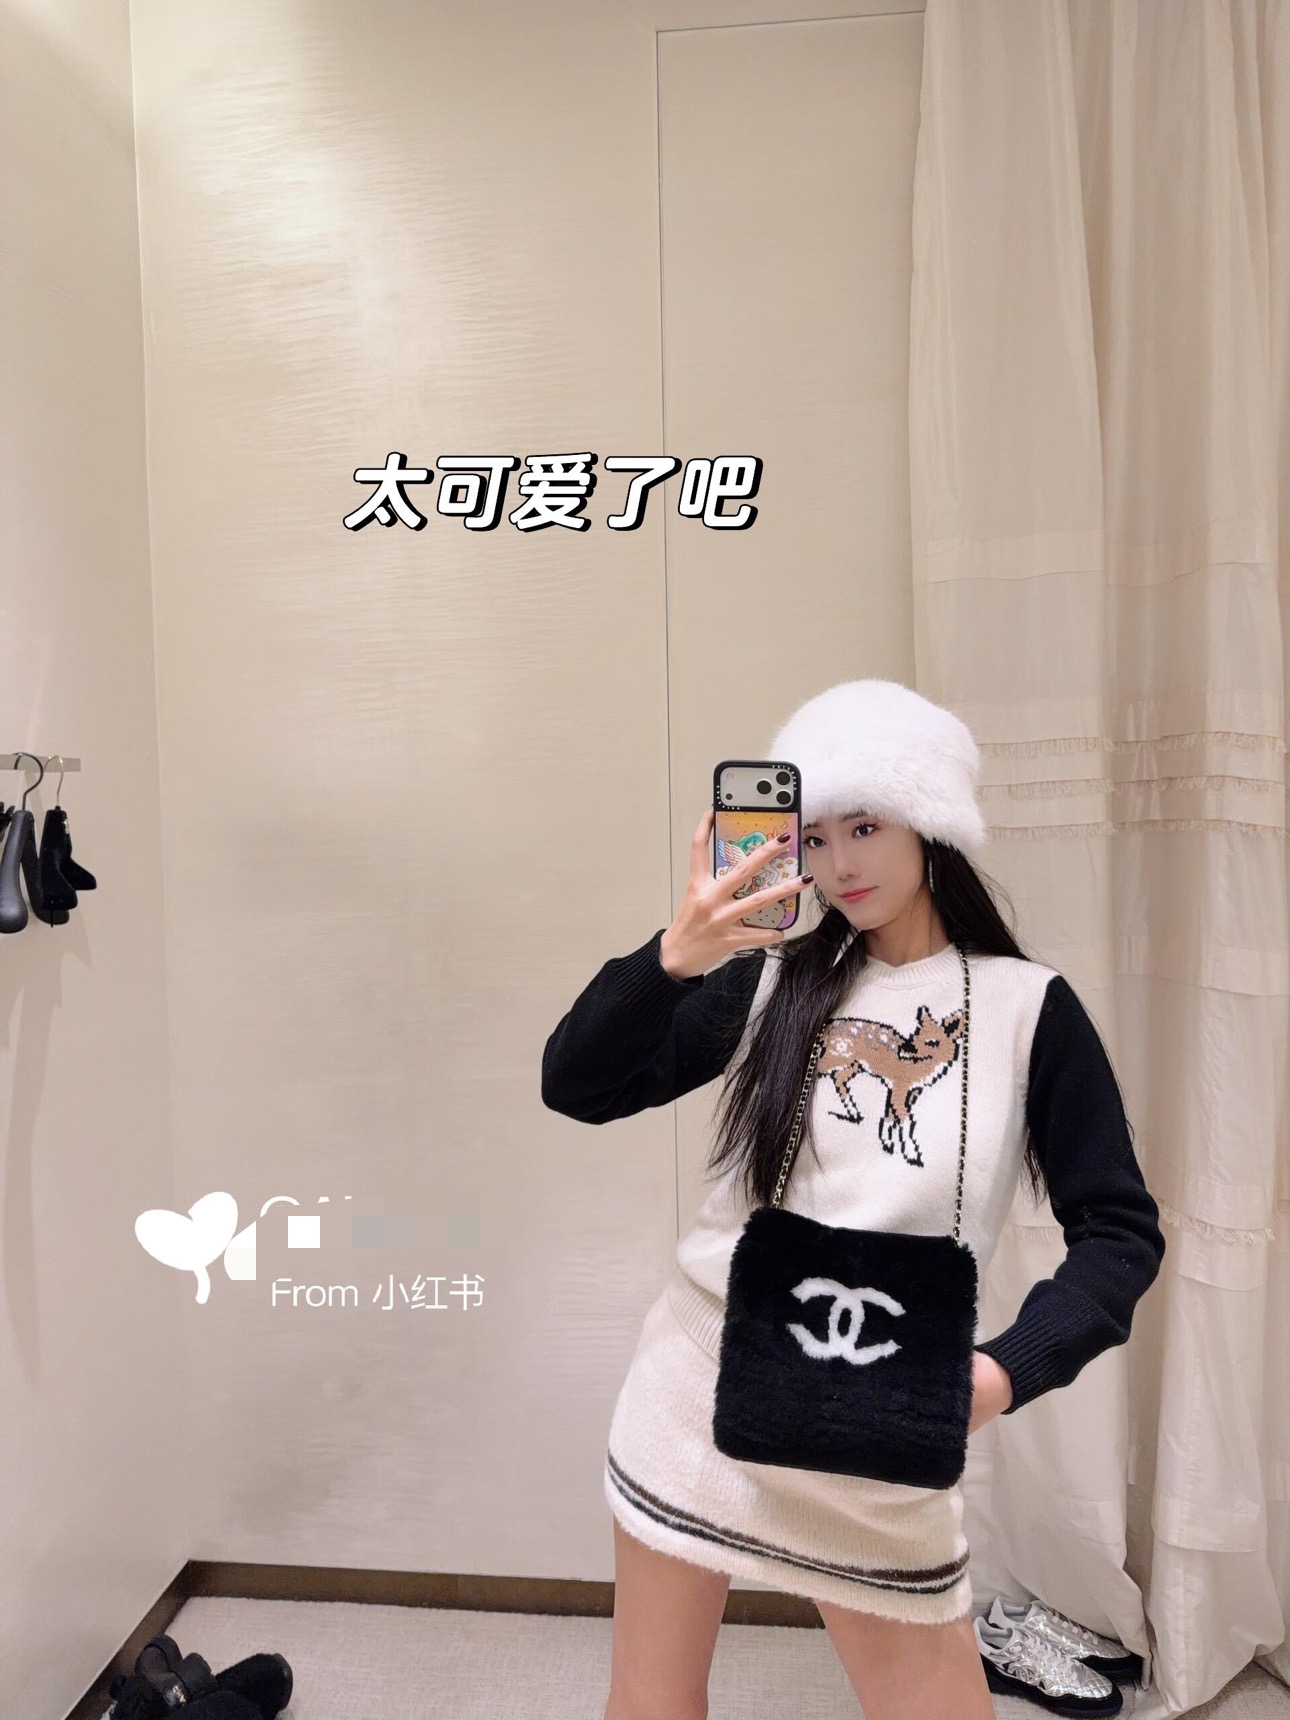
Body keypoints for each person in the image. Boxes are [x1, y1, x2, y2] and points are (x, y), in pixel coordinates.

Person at [541, 679, 1165, 1720]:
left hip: (879, 1407)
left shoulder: (1027, 1009)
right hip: (696, 1380)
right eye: (818, 836)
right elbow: (576, 1085)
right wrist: (675, 958)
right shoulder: (768, 979)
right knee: (652, 1702)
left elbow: (1120, 1232)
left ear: (929, 824)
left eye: (866, 827)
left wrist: (999, 1373)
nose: (840, 866)